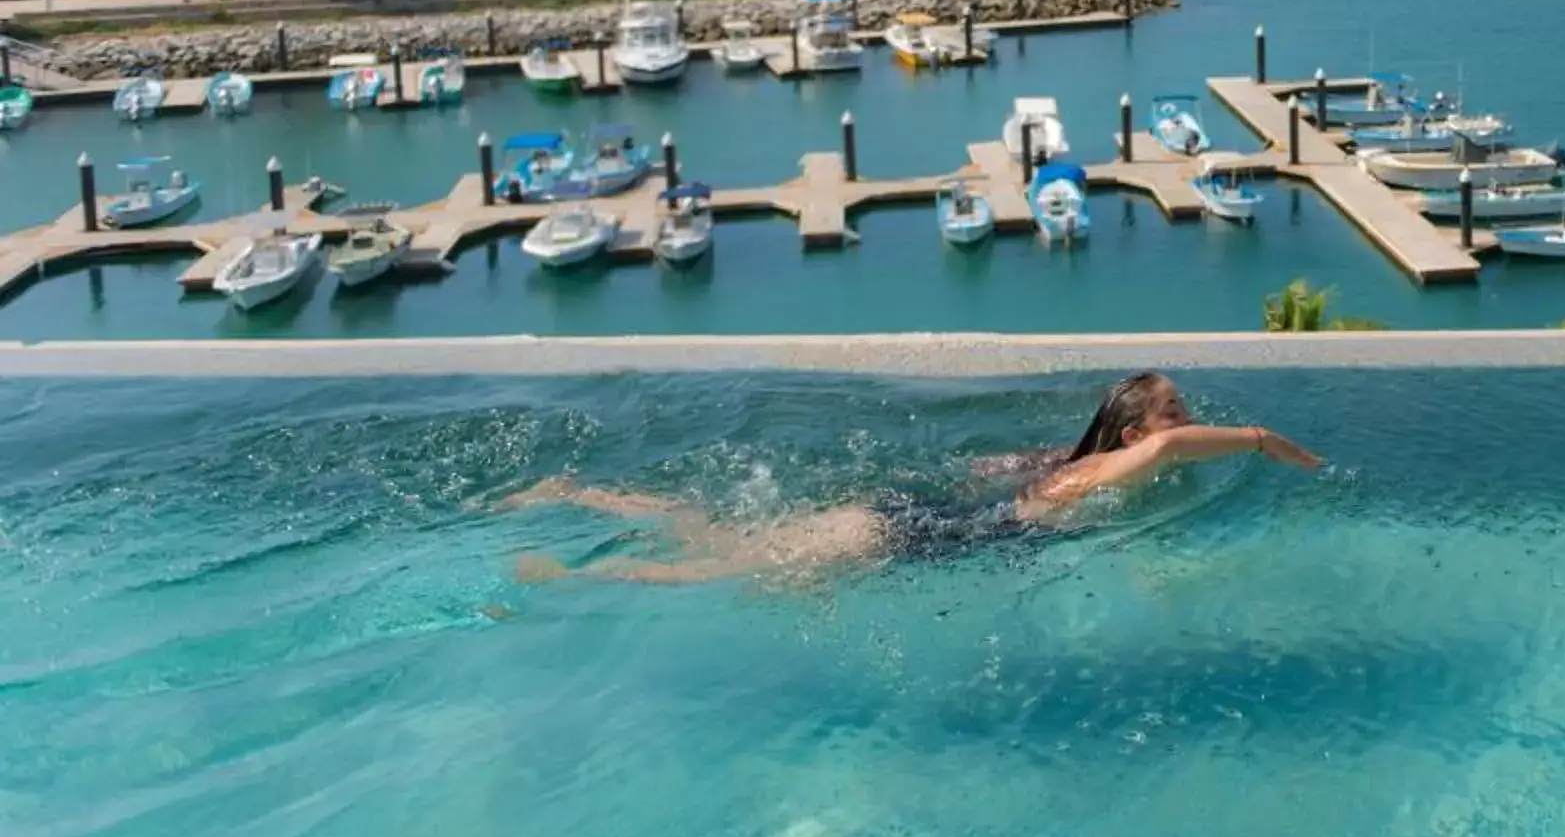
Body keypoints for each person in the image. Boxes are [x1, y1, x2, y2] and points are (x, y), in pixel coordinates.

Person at [504, 373, 1320, 585]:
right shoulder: (1128, 461)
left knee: (720, 537)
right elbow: (1171, 455)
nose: (1189, 420)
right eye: (1178, 409)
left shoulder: (1084, 465)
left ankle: (581, 495)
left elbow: (1001, 468)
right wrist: (1260, 440)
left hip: (910, 523)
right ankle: (577, 575)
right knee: (714, 567)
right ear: (1138, 431)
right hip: (896, 537)